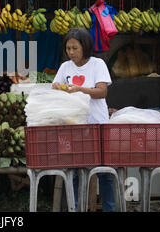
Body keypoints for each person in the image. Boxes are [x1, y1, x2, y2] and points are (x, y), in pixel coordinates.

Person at [51, 27, 115, 212]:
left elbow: (102, 92)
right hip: (75, 126)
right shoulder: (65, 67)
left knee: (104, 172)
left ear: (85, 47)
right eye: (68, 48)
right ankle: (76, 208)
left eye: (75, 48)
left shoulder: (97, 64)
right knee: (76, 172)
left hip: (98, 124)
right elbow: (57, 88)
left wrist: (80, 90)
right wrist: (57, 88)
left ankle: (110, 209)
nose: (70, 53)